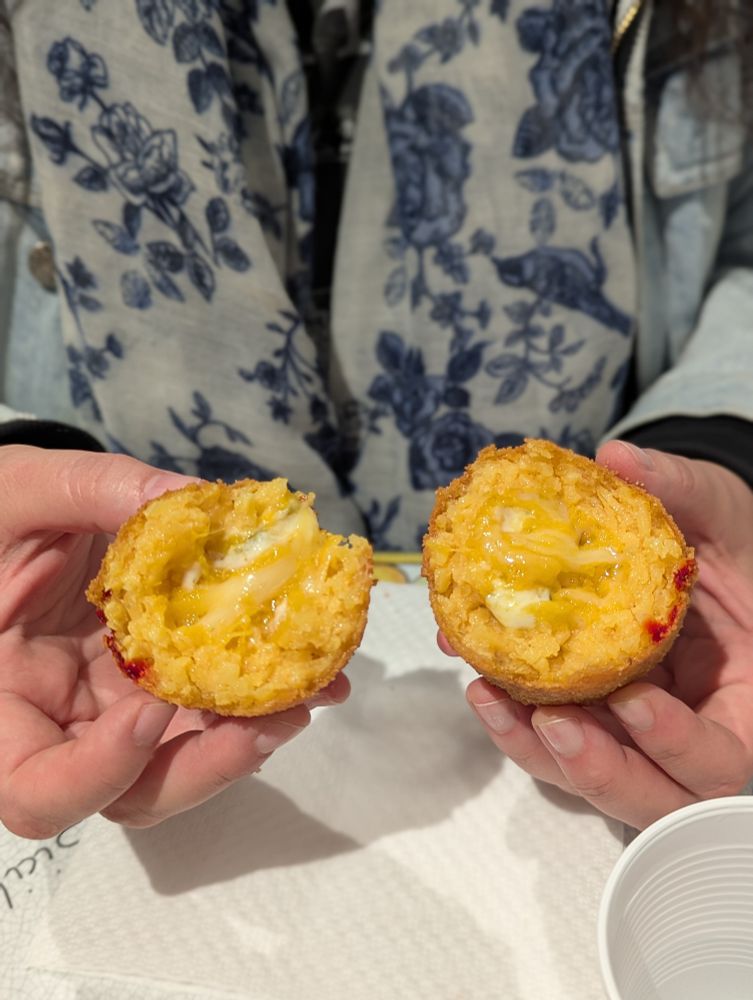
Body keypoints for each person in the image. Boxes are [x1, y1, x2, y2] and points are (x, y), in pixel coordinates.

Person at [1, 0, 753, 837]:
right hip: (72, 602)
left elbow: (742, 249)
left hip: (631, 585)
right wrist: (20, 468)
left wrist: (720, 445)